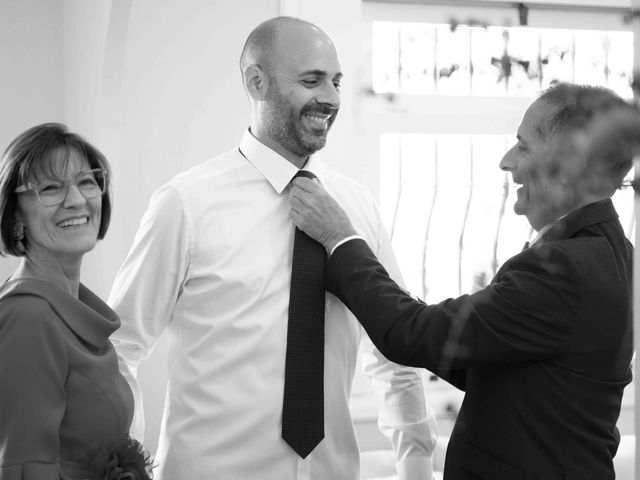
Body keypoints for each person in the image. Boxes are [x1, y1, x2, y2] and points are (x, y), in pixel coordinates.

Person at [108, 16, 437, 480]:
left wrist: (416, 465)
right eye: (311, 80)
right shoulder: (185, 204)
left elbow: (394, 355)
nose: (331, 98)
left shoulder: (359, 208)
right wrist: (125, 464)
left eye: (337, 82)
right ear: (255, 81)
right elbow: (120, 345)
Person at [289, 83, 638, 480]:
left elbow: (410, 334)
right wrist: (399, 302)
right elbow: (497, 362)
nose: (506, 162)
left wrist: (340, 239)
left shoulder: (564, 268)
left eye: (523, 146)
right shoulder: (615, 254)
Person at [0, 123, 151, 479]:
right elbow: (23, 468)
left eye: (86, 181)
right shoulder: (28, 317)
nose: (76, 199)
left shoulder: (67, 308)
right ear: (15, 214)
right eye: (50, 188)